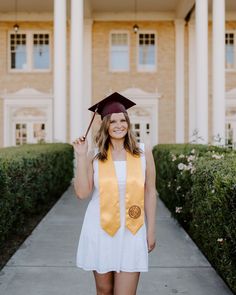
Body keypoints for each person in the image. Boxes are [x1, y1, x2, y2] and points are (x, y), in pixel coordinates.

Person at [73, 92, 157, 295]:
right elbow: (83, 193)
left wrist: (151, 230)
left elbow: (150, 191)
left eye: (122, 120)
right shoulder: (95, 155)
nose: (118, 125)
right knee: (104, 291)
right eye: (112, 121)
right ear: (105, 126)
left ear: (128, 123)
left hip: (132, 229)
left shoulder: (143, 152)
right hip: (100, 227)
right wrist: (81, 156)